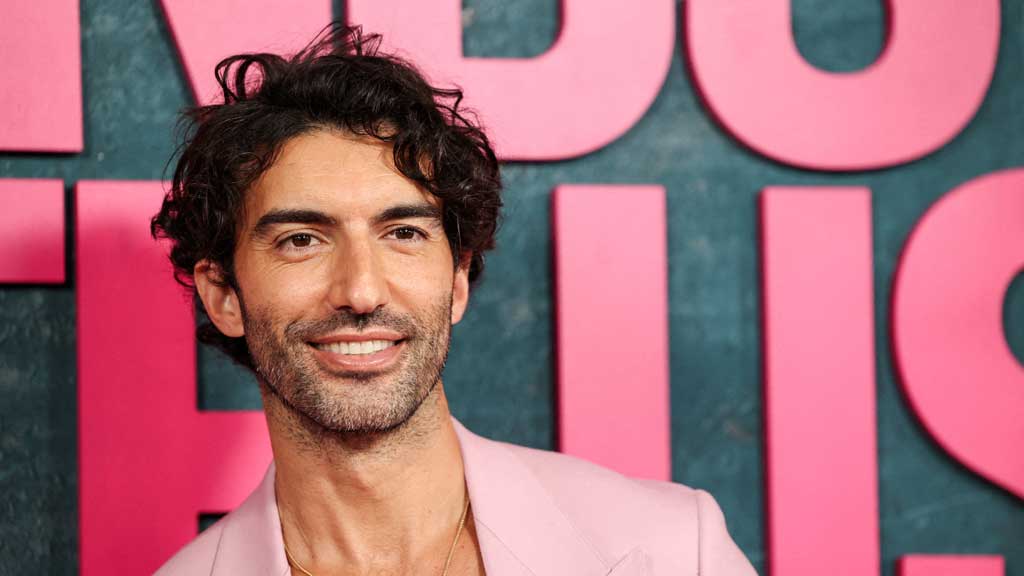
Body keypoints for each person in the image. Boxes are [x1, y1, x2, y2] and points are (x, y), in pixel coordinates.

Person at [151, 23, 756, 576]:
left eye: (403, 234)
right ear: (223, 294)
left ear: (458, 278)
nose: (361, 291)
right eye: (302, 240)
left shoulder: (674, 549)